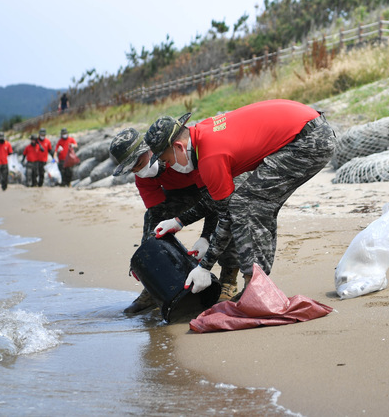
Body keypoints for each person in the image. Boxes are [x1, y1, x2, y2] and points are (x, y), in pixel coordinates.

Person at [145, 99, 337, 300]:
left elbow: (226, 215)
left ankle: (254, 286)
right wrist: (179, 221)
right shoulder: (202, 133)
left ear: (179, 147)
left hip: (309, 140)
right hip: (307, 130)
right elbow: (217, 199)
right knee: (254, 205)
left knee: (243, 206)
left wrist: (204, 266)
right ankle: (256, 283)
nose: (169, 165)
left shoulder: (210, 157)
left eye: (167, 160)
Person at [110, 128, 241, 313]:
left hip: (213, 186)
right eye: (132, 169)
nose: (138, 171)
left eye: (139, 163)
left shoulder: (178, 153)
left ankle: (228, 281)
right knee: (151, 224)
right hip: (180, 195)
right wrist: (149, 259)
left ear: (150, 150)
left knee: (229, 213)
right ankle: (153, 289)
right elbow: (156, 214)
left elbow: (216, 199)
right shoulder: (143, 178)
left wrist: (205, 237)